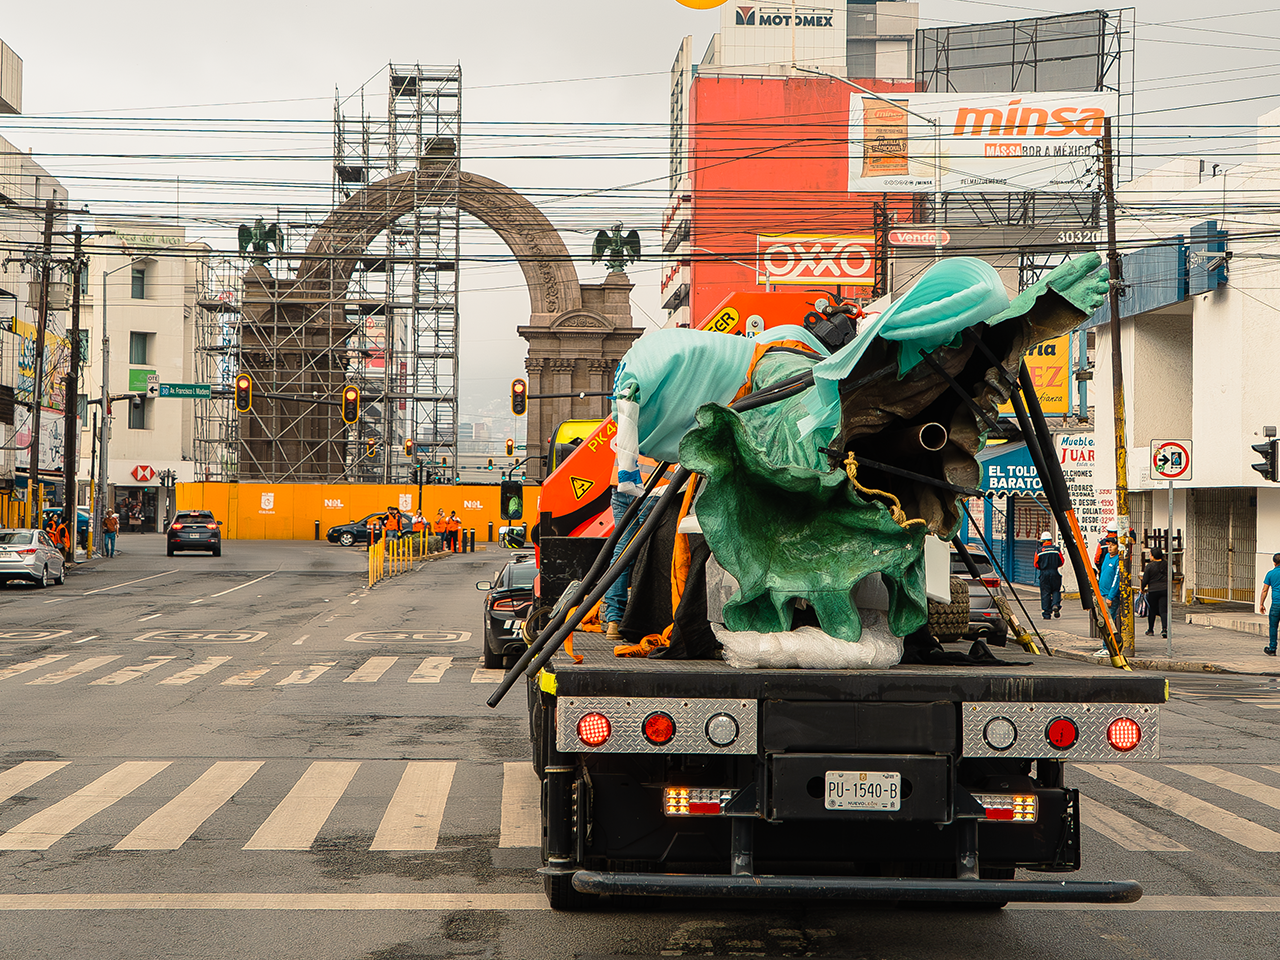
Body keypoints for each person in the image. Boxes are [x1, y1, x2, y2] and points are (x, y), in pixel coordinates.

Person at [1034, 532, 1064, 620]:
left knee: (1045, 592)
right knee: (1056, 590)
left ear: (1043, 541)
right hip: (1054, 572)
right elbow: (1061, 561)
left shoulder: (1039, 551)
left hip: (1044, 573)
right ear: (1050, 540)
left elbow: (1036, 564)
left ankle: (1047, 613)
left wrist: (1043, 568)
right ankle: (1055, 604)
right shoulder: (1056, 549)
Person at [1141, 547, 1169, 639]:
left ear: (1153, 556)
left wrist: (1142, 588)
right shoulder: (1166, 564)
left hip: (1153, 590)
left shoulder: (1149, 566)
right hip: (1164, 589)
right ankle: (1164, 629)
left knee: (1152, 610)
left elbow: (1145, 579)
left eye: (1150, 554)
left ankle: (1150, 630)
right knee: (1163, 610)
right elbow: (1172, 576)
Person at [1098, 540, 1124, 630]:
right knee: (1102, 621)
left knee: (1108, 621)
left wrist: (1110, 597)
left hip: (1110, 595)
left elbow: (1116, 579)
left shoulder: (1118, 560)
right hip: (1102, 593)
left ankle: (1110, 639)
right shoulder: (1107, 556)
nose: (1110, 547)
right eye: (1109, 545)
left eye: (1113, 545)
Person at [1259, 552, 1280, 656]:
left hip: (1276, 604)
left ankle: (1272, 649)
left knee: (1273, 627)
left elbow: (1265, 590)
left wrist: (1261, 604)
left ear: (1274, 562)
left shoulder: (1270, 574)